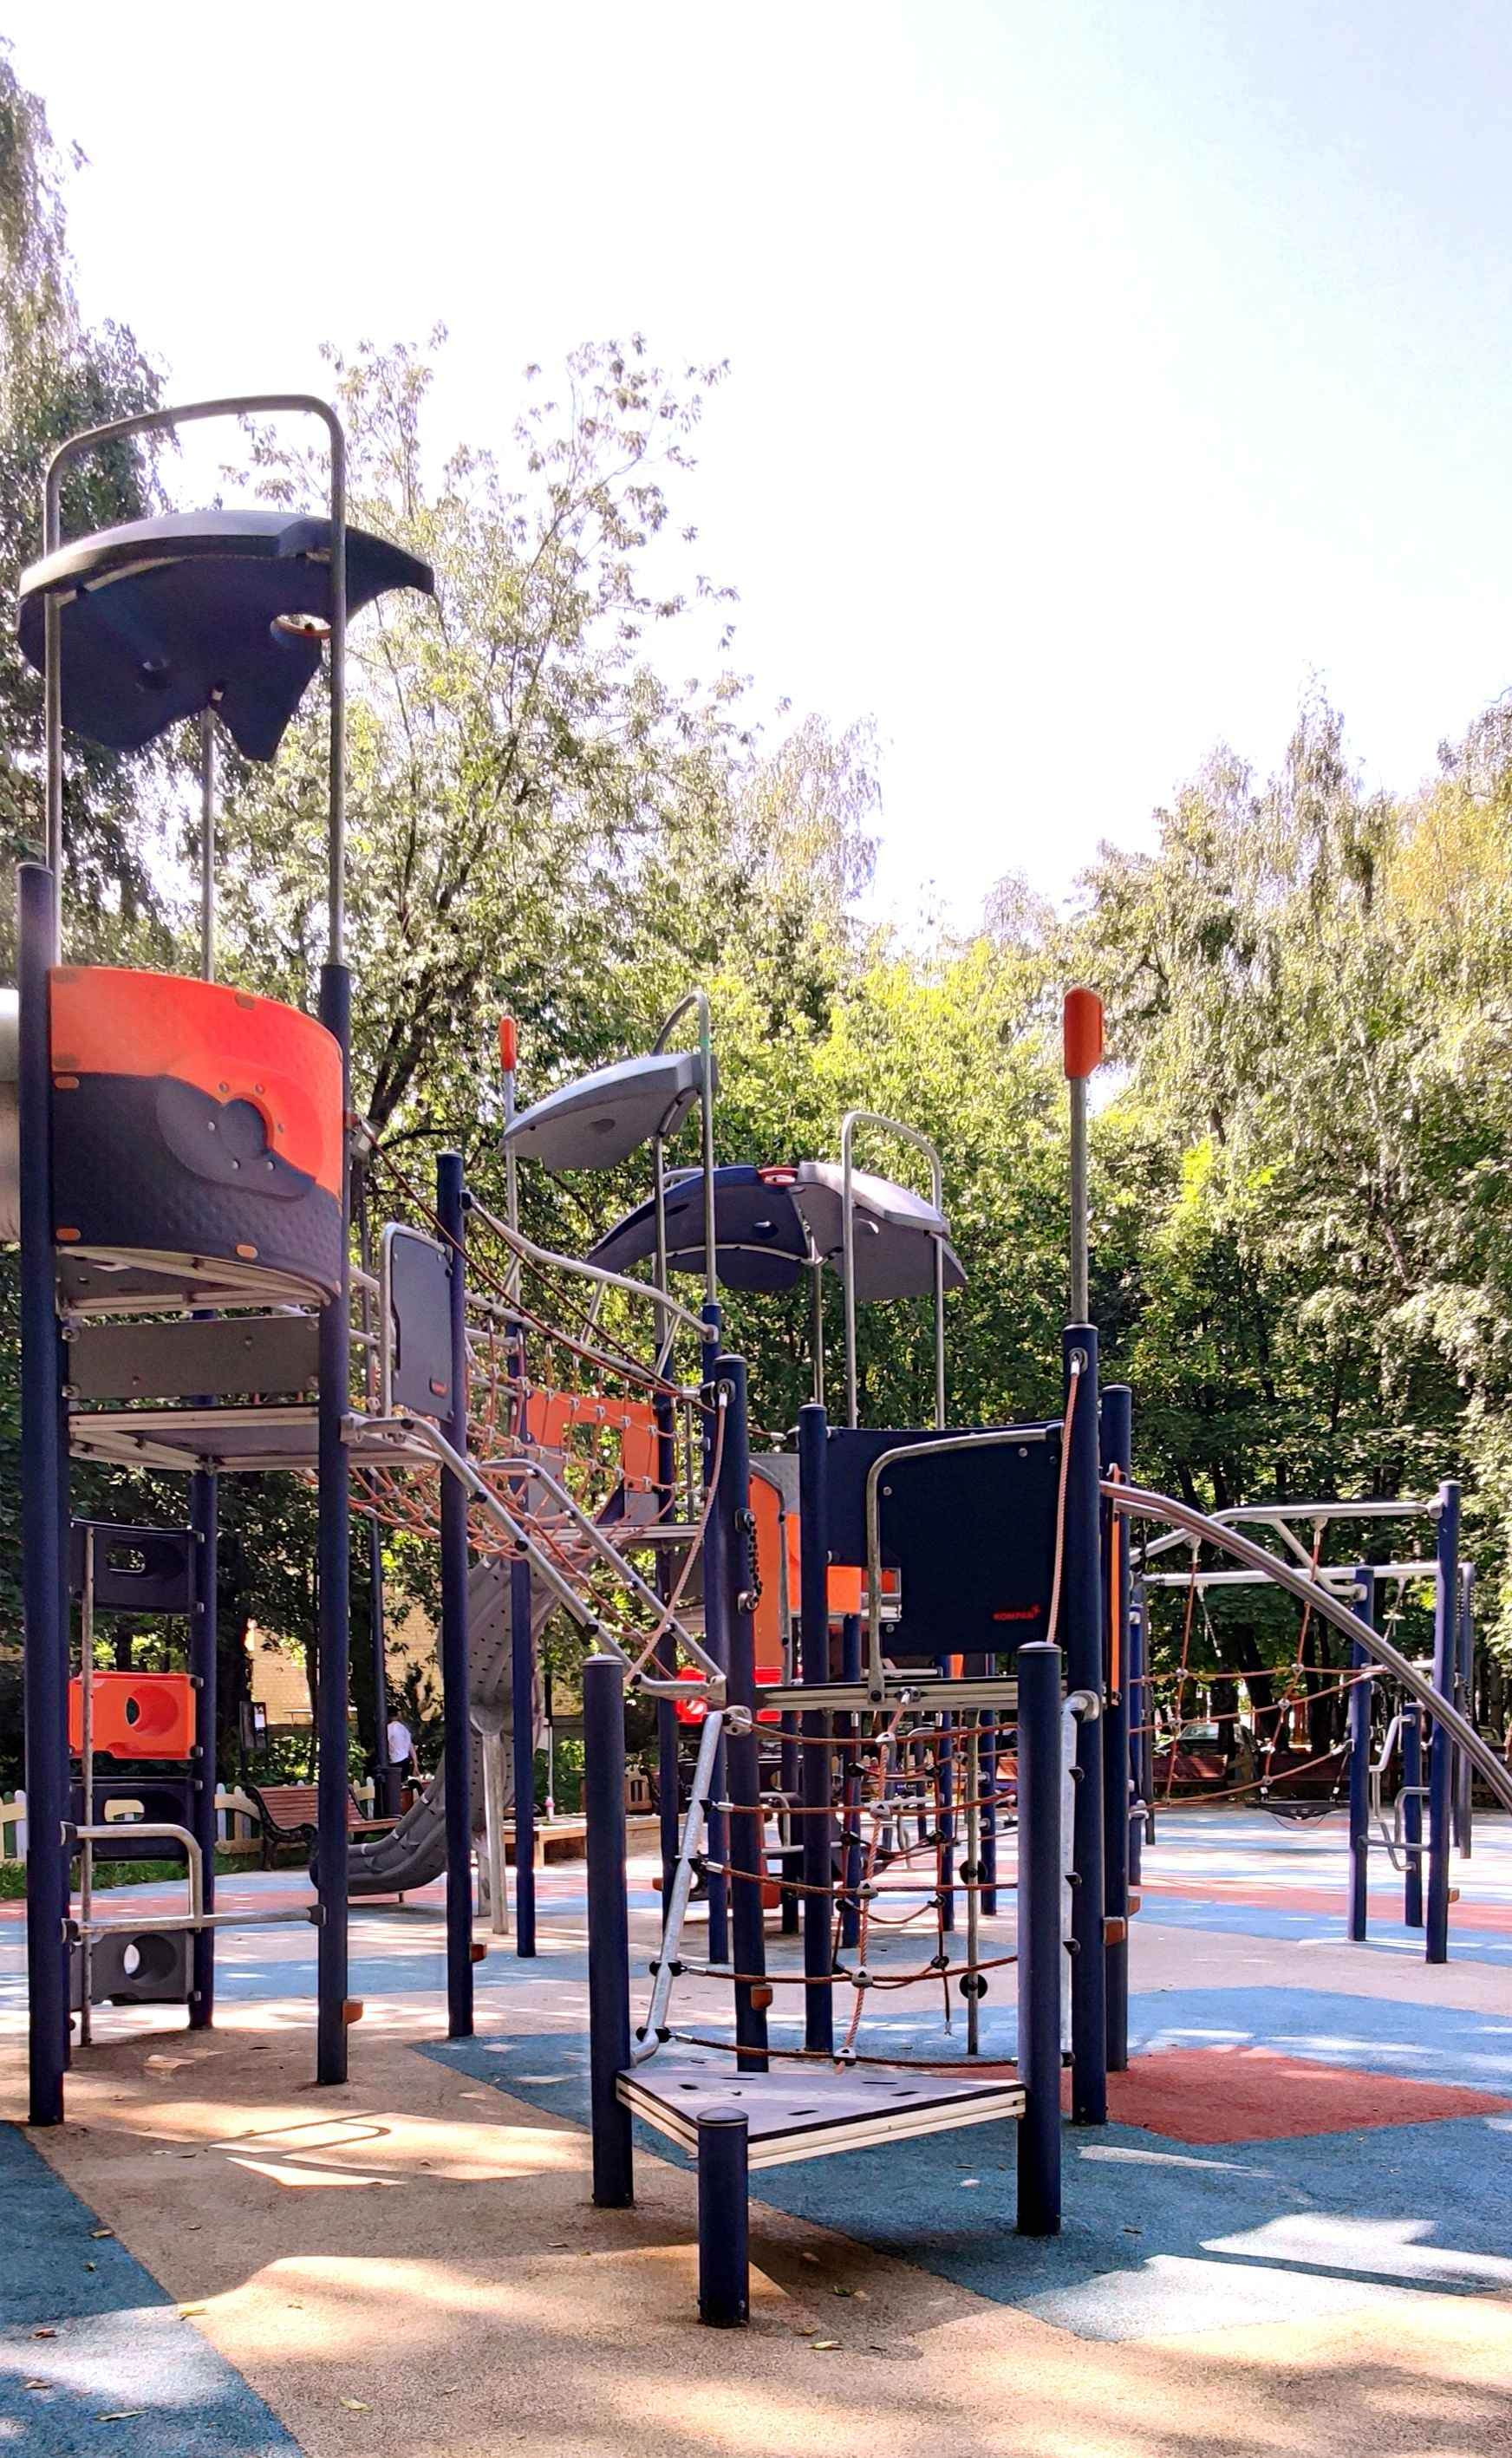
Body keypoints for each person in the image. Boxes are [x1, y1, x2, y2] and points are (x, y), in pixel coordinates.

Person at [386, 1712, 414, 1806]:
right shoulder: (404, 1728)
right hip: (405, 1759)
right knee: (404, 1786)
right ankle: (405, 1806)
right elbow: (411, 1746)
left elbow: (385, 1741)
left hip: (395, 1760)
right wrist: (415, 1764)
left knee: (394, 1788)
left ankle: (396, 1806)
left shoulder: (390, 1728)